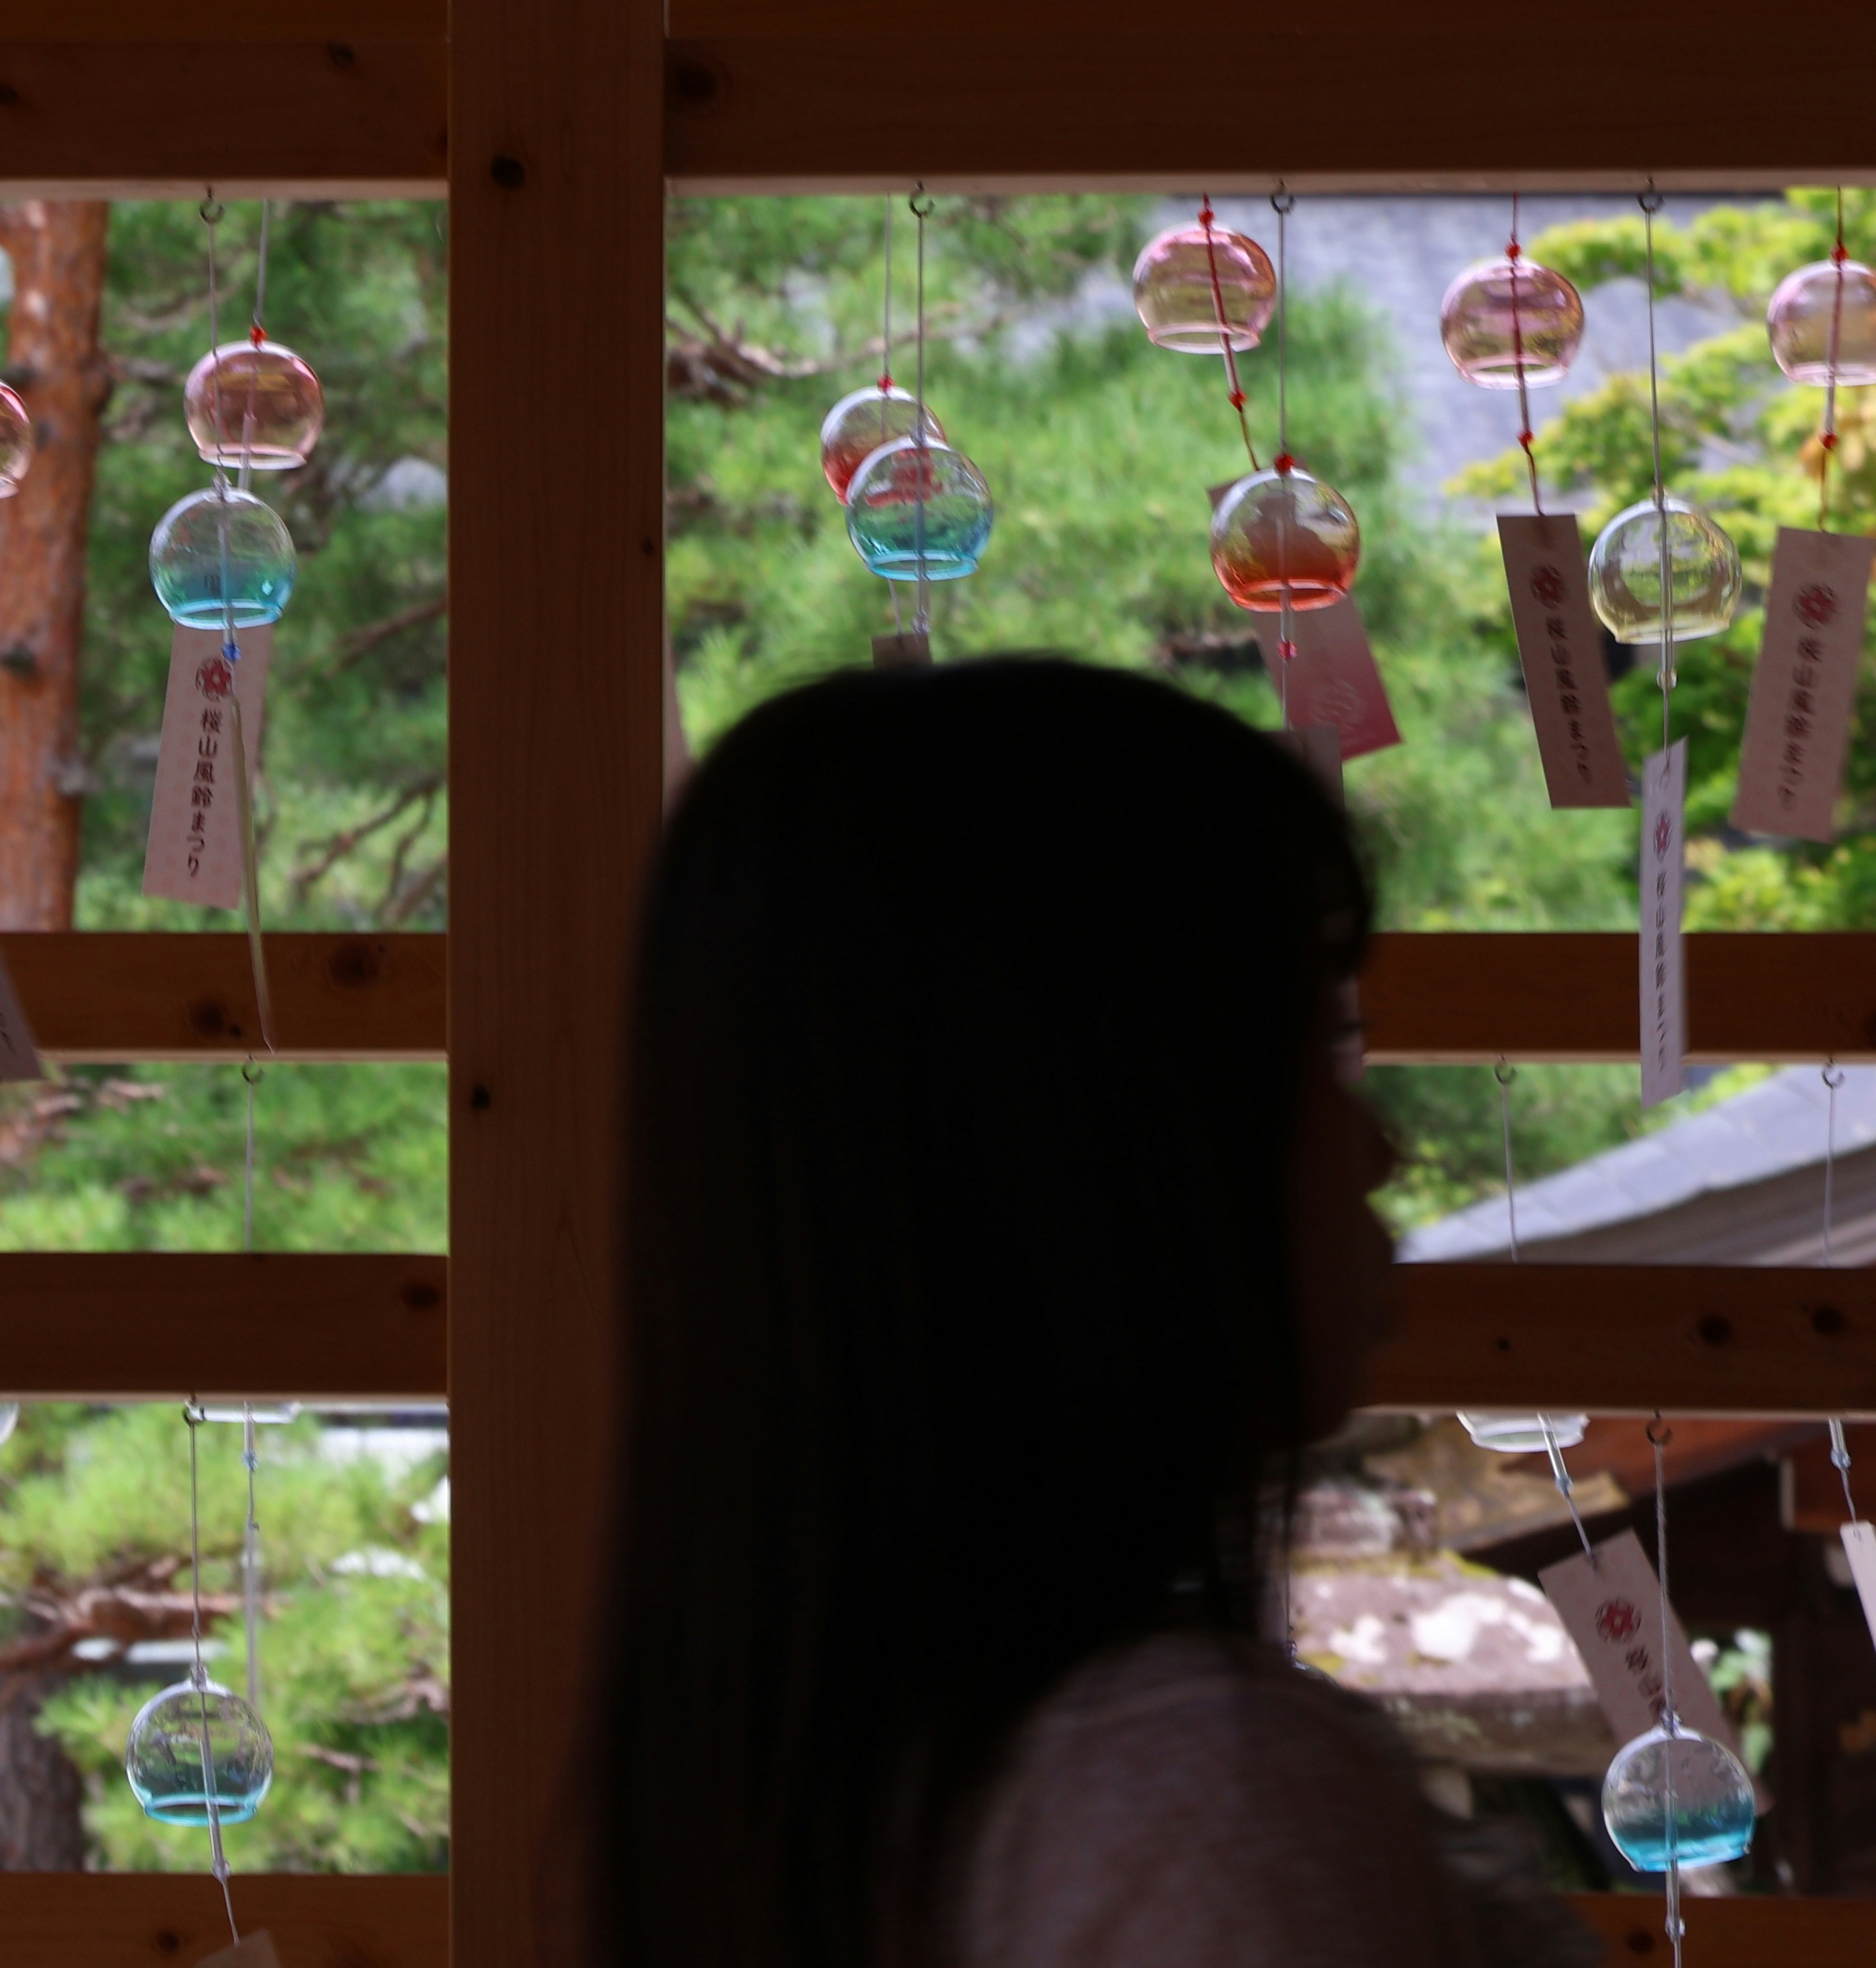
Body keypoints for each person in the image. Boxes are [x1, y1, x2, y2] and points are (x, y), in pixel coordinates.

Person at [592, 658, 1590, 1968]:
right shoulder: (1193, 1794)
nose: (1380, 1147)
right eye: (1309, 1044)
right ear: (1099, 1147)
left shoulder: (798, 1780)